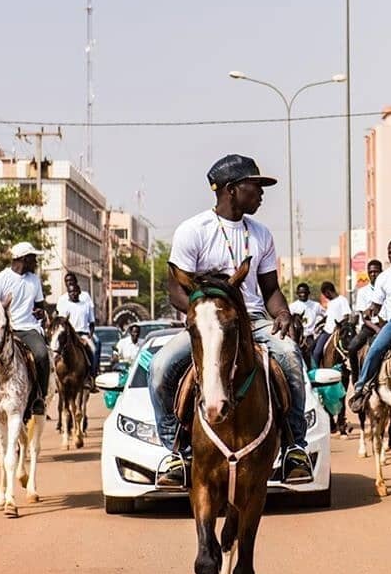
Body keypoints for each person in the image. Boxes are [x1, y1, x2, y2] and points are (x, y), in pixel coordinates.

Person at [148, 153, 313, 488]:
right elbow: (174, 291)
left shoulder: (262, 234)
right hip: (209, 322)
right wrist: (200, 316)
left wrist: (281, 313)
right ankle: (175, 452)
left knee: (292, 358)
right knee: (160, 368)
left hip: (252, 319)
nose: (262, 194)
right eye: (256, 186)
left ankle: (296, 446)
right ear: (232, 189)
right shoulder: (192, 230)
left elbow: (270, 289)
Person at [0, 241, 51, 417]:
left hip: (28, 328)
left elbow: (39, 305)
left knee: (42, 355)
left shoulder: (34, 280)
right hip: (3, 331)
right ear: (23, 259)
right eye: (33, 258)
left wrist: (40, 312)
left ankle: (39, 397)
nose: (35, 262)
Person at [349, 240, 391, 411]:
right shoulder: (384, 278)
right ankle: (361, 388)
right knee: (375, 349)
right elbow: (376, 305)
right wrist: (370, 311)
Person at [56, 272, 99, 392]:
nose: (69, 283)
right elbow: (61, 320)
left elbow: (91, 321)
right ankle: (55, 377)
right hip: (68, 334)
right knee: (56, 350)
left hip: (83, 333)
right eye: (67, 282)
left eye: (71, 281)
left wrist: (90, 334)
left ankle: (91, 377)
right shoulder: (63, 301)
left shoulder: (85, 300)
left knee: (95, 348)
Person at [348, 260, 383, 372]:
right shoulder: (363, 291)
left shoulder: (385, 288)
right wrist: (377, 329)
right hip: (369, 326)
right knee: (352, 347)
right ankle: (355, 376)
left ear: (381, 272)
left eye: (376, 271)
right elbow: (364, 317)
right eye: (371, 272)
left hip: (385, 324)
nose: (373, 274)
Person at [312, 281, 351, 370]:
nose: (325, 297)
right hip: (326, 330)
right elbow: (327, 316)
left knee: (317, 352)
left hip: (337, 331)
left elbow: (346, 316)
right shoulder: (330, 303)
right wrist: (318, 324)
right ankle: (315, 372)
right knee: (314, 350)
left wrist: (339, 326)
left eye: (325, 294)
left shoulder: (342, 300)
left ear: (328, 292)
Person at [288, 282, 324, 360]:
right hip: (296, 337)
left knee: (313, 353)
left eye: (304, 292)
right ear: (297, 293)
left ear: (308, 293)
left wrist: (319, 326)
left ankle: (314, 368)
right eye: (300, 293)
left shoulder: (316, 305)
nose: (303, 294)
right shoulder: (292, 306)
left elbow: (326, 316)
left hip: (309, 336)